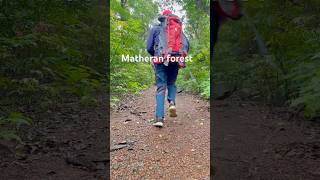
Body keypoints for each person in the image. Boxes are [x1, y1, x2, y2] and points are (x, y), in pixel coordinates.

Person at [146, 10, 189, 127]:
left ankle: (159, 118)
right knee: (171, 83)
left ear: (162, 18)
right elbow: (187, 45)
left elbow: (149, 47)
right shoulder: (178, 30)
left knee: (161, 87)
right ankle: (172, 103)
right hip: (175, 59)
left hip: (160, 60)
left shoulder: (155, 29)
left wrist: (155, 55)